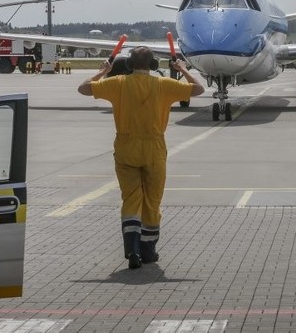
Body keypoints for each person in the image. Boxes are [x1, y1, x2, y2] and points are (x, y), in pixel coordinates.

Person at [78, 46, 205, 269]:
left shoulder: (117, 83)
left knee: (131, 198)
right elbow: (198, 90)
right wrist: (183, 69)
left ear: (128, 65)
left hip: (126, 146)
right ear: (153, 65)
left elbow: (83, 89)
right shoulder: (163, 84)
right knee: (152, 201)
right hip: (154, 147)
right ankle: (148, 250)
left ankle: (132, 249)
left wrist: (102, 71)